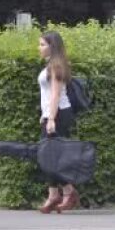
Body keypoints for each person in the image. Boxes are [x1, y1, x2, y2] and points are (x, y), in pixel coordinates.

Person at [37, 30, 79, 214]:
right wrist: (45, 115)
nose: (39, 48)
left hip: (59, 115)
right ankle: (54, 194)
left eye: (42, 45)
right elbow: (47, 95)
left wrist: (52, 118)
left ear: (52, 47)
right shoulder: (50, 65)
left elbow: (55, 94)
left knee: (52, 156)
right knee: (47, 155)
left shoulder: (56, 66)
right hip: (51, 114)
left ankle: (67, 192)